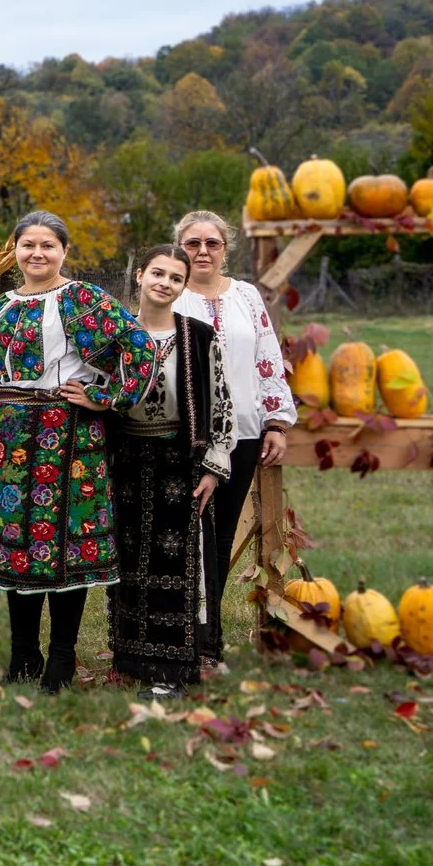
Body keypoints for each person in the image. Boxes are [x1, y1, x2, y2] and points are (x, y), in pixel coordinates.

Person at [0, 210, 158, 693]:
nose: (38, 254)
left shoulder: (82, 299)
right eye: (28, 245)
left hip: (66, 437)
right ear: (15, 252)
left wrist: (104, 396)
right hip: (9, 441)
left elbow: (140, 348)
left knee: (67, 544)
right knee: (16, 549)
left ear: (64, 251)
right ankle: (23, 653)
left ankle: (62, 658)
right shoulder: (1, 306)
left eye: (48, 245)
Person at [170, 210, 295, 672]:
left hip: (241, 434)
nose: (202, 251)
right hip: (182, 438)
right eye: (192, 243)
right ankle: (173, 642)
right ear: (180, 248)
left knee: (219, 539)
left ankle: (208, 645)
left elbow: (268, 357)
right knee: (183, 538)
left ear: (226, 248)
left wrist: (276, 422)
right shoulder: (169, 293)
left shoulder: (245, 296)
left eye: (212, 243)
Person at [109, 244, 231, 698]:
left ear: (183, 287)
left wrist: (213, 468)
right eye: (157, 273)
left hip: (180, 461)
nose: (164, 282)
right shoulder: (117, 335)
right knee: (127, 560)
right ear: (140, 276)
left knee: (175, 562)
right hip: (126, 460)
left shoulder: (199, 336)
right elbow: (100, 388)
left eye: (175, 278)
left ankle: (172, 669)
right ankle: (130, 658)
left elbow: (221, 403)